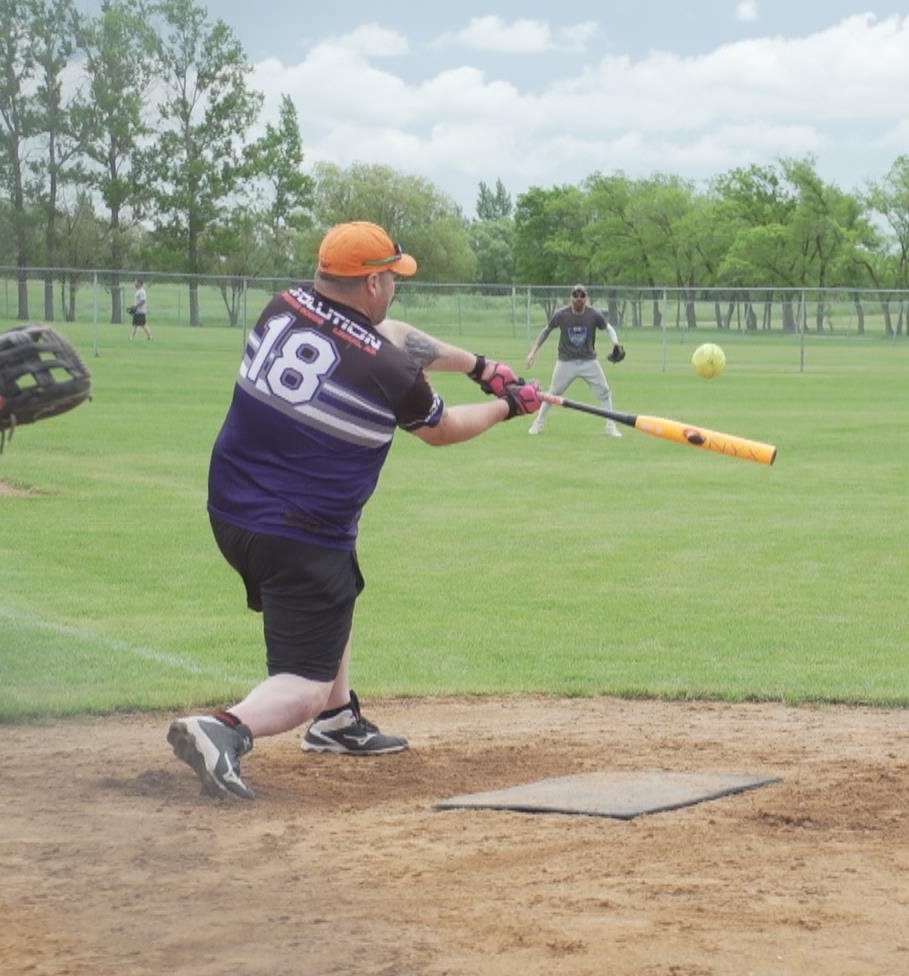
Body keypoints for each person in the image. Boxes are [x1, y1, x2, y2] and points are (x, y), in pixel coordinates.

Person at [167, 221, 541, 800]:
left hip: (230, 509)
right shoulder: (389, 371)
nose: (394, 287)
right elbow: (440, 429)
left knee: (340, 585)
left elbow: (388, 333)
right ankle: (225, 729)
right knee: (304, 682)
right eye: (390, 277)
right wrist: (508, 408)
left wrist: (481, 367)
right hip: (296, 536)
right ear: (369, 284)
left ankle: (337, 722)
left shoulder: (282, 307)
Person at [524, 284, 623, 437]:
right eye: (575, 295)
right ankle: (538, 423)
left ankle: (611, 426)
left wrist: (616, 343)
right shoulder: (562, 314)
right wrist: (533, 351)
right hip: (566, 361)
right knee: (553, 393)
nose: (578, 299)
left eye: (582, 296)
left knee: (604, 392)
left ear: (586, 298)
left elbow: (609, 328)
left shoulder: (593, 314)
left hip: (588, 361)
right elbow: (547, 330)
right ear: (570, 298)